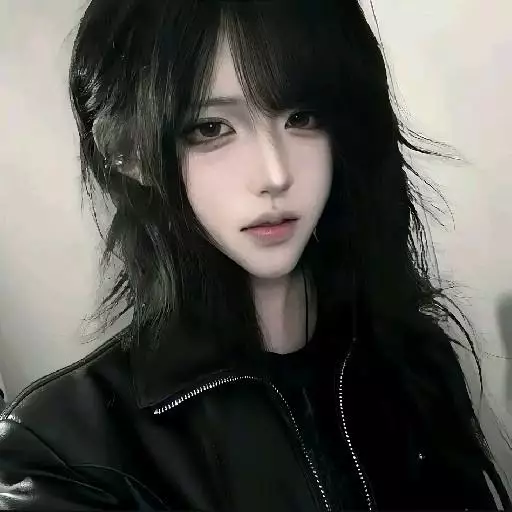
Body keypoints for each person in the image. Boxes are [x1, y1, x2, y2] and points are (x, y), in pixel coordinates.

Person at [0, 0, 510, 510]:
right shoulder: (63, 455)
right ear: (128, 152)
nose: (275, 174)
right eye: (209, 128)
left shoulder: (413, 356)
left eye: (302, 117)